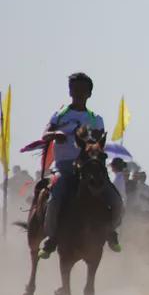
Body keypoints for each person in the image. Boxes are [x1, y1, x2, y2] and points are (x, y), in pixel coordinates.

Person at [37, 73, 123, 259]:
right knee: (54, 198)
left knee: (116, 201)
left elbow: (98, 143)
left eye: (83, 90)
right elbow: (44, 135)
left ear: (89, 93)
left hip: (90, 168)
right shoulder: (60, 115)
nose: (78, 93)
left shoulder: (95, 119)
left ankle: (110, 232)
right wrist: (56, 133)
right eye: (75, 89)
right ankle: (52, 238)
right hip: (64, 168)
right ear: (70, 91)